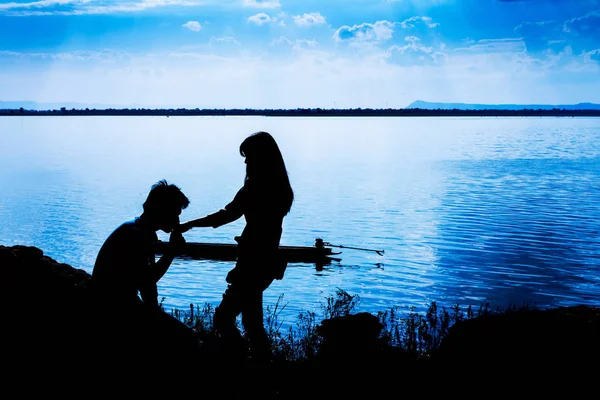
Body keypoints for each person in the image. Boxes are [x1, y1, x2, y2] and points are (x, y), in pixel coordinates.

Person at [178, 131, 294, 364]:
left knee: (223, 317)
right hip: (265, 262)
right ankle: (259, 365)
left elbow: (227, 214)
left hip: (253, 263)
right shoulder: (279, 186)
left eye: (248, 156)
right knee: (252, 322)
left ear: (261, 157)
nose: (245, 161)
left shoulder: (257, 186)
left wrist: (190, 224)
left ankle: (237, 361)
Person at [90, 179, 200, 362]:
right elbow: (147, 282)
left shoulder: (137, 229)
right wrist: (171, 252)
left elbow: (146, 287)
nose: (177, 221)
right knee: (188, 340)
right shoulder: (137, 236)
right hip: (114, 311)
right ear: (161, 210)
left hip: (114, 305)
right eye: (175, 214)